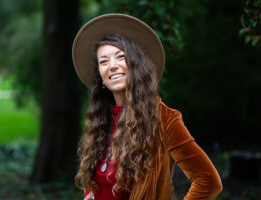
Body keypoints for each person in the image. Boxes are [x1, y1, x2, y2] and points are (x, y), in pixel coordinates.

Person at [72, 13, 223, 200]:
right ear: (100, 76)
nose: (112, 66)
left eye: (121, 57)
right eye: (103, 61)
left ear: (136, 65)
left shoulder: (165, 120)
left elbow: (207, 181)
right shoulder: (99, 120)